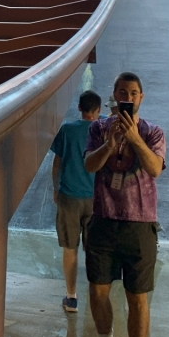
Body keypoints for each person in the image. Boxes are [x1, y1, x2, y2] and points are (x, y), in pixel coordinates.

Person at [76, 72, 166, 337]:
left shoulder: (152, 132)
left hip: (140, 224)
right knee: (98, 291)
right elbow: (89, 165)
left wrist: (134, 139)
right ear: (113, 95)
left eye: (133, 92)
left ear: (141, 97)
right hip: (103, 220)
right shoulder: (99, 128)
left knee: (137, 297)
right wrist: (111, 143)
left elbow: (155, 168)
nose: (128, 96)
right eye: (122, 92)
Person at [51, 90, 102, 313]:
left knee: (70, 248)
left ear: (80, 108)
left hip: (69, 196)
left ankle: (71, 296)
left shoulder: (67, 130)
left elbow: (57, 164)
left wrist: (56, 189)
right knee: (94, 250)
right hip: (96, 199)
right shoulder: (103, 130)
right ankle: (97, 294)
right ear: (98, 110)